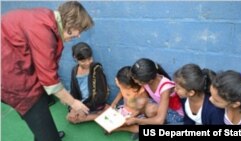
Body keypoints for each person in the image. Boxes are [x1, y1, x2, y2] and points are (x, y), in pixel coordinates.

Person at [1, 1, 93, 141]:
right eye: (79, 29)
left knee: (44, 101)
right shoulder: (43, 31)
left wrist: (63, 96)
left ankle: (46, 134)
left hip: (14, 66)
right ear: (70, 22)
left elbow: (47, 67)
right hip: (13, 80)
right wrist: (73, 102)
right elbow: (50, 81)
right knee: (37, 111)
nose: (79, 35)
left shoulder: (47, 18)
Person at [126, 58, 184, 127]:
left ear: (150, 81)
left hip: (177, 116)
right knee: (138, 102)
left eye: (139, 81)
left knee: (150, 110)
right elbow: (145, 99)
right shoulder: (148, 79)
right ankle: (144, 121)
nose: (136, 82)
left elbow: (160, 120)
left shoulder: (165, 88)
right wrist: (134, 114)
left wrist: (137, 120)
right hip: (161, 106)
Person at [66, 42, 109, 124]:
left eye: (89, 59)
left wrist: (83, 108)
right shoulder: (74, 70)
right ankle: (98, 116)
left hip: (95, 103)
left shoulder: (96, 69)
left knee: (75, 117)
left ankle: (97, 115)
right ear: (75, 59)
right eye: (83, 61)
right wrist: (72, 108)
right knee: (70, 117)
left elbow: (101, 95)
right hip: (83, 102)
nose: (87, 63)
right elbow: (74, 91)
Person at [109, 66, 157, 134]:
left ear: (133, 85)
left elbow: (140, 108)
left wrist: (132, 117)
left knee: (139, 129)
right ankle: (118, 126)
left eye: (126, 88)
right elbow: (121, 92)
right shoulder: (121, 83)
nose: (123, 88)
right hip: (125, 110)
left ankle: (120, 129)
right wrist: (114, 102)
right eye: (122, 86)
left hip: (137, 113)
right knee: (109, 119)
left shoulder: (140, 92)